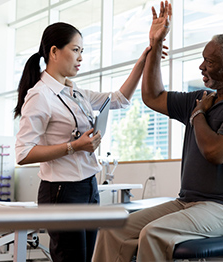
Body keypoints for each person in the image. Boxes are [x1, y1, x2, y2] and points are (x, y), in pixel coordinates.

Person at [92, 1, 223, 261]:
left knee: (153, 233)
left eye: (209, 62)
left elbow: (216, 152)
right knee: (112, 230)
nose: (201, 67)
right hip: (188, 202)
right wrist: (156, 43)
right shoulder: (201, 97)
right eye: (202, 60)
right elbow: (153, 96)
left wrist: (198, 114)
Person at [14, 22, 150, 262]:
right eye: (75, 50)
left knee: (90, 258)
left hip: (88, 186)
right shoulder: (40, 96)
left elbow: (118, 99)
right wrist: (74, 146)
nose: (80, 58)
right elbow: (23, 154)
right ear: (54, 52)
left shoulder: (75, 92)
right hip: (61, 191)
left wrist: (143, 61)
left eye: (82, 51)